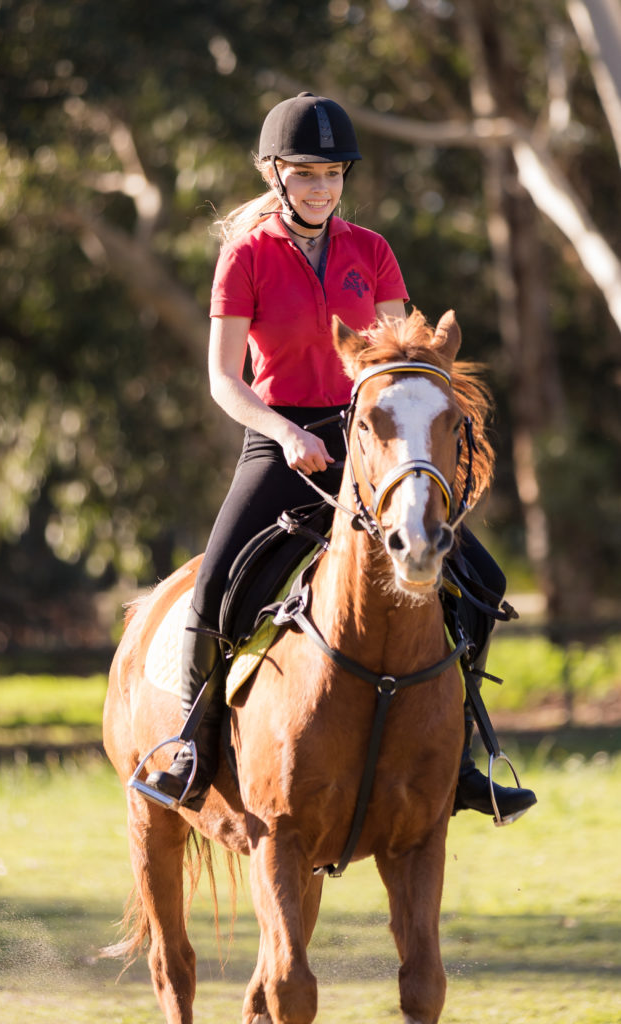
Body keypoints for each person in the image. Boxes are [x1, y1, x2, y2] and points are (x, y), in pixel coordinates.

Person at [145, 91, 536, 822]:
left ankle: (461, 760)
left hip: (368, 438)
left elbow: (395, 356)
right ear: (274, 175)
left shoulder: (371, 250)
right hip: (280, 436)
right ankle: (193, 749)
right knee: (214, 586)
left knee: (480, 577)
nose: (320, 188)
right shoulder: (246, 257)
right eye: (305, 174)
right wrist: (288, 434)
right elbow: (223, 379)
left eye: (332, 174)